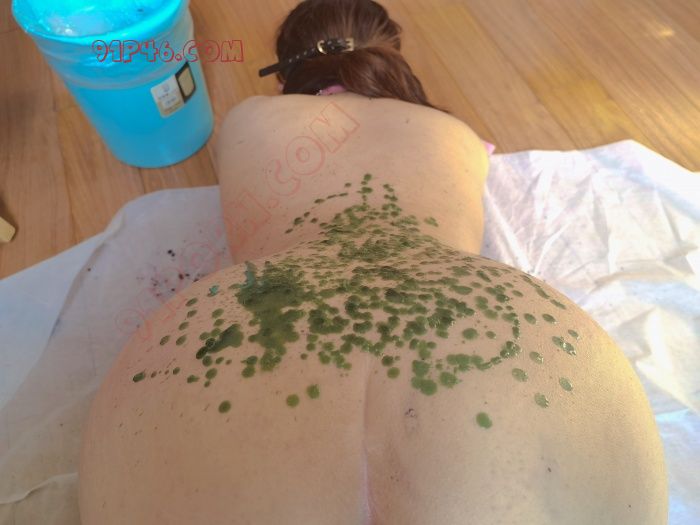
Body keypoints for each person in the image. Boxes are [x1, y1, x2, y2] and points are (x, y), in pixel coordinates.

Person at [78, 1, 667, 523]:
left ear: (286, 74)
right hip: (470, 302)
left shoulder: (247, 118)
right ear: (393, 61)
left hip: (267, 302)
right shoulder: (456, 131)